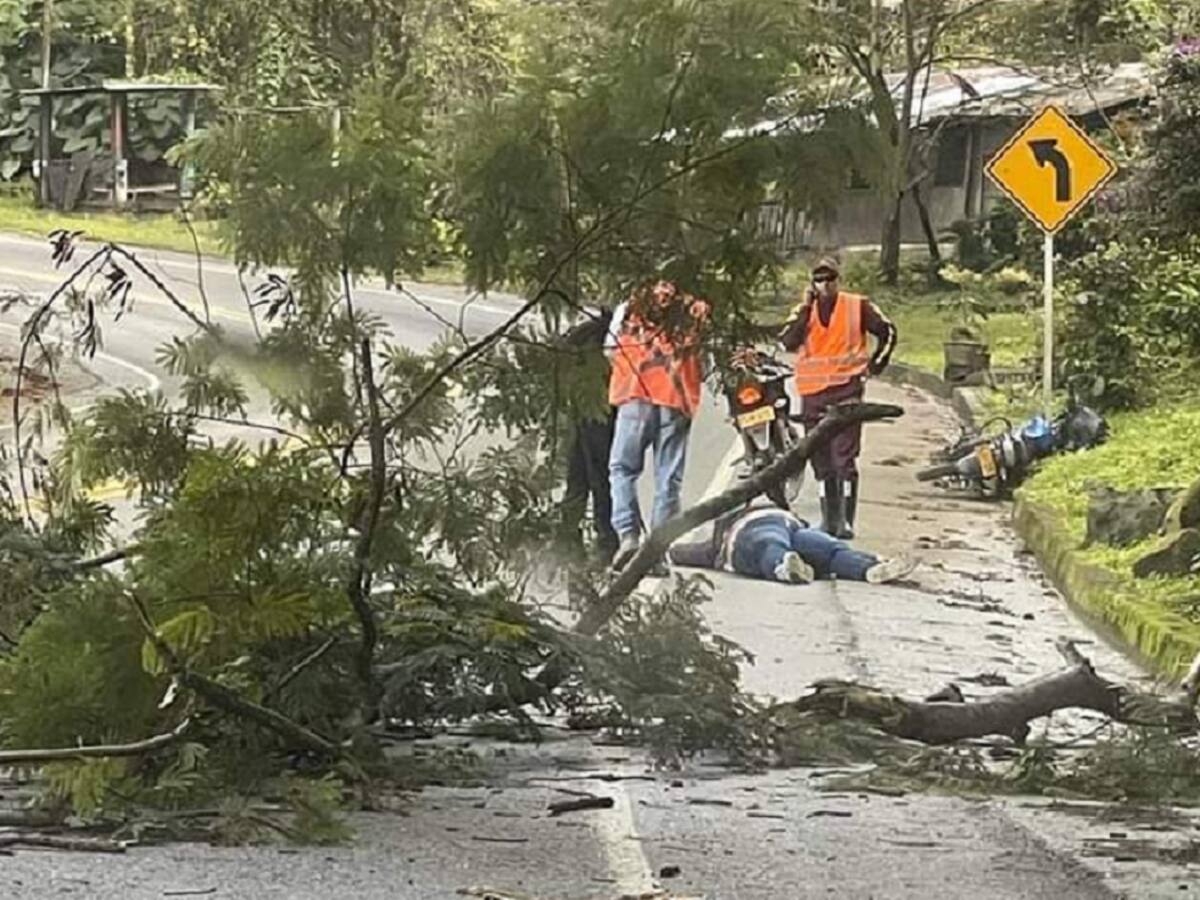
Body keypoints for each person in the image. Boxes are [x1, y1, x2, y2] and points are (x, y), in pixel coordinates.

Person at [778, 257, 897, 539]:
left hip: (847, 389)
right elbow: (787, 342)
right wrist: (807, 307)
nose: (825, 284)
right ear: (812, 284)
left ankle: (845, 521)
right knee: (819, 458)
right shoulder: (804, 310)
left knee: (844, 455)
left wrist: (875, 364)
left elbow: (888, 331)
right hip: (812, 393)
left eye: (830, 278)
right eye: (819, 280)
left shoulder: (858, 305)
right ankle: (828, 519)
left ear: (838, 279)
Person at [606, 280, 710, 571]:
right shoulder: (696, 309)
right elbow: (705, 352)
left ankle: (628, 536)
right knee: (668, 479)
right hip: (675, 399)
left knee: (622, 469)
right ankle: (656, 551)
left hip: (634, 395)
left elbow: (610, 348)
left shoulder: (630, 307)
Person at [667, 499, 915, 585]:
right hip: (782, 526)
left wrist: (664, 551)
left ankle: (784, 566)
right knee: (828, 551)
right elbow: (684, 552)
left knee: (773, 545)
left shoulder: (722, 539)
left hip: (771, 528)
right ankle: (867, 567)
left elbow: (684, 552)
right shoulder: (722, 541)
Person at [559, 307, 619, 566]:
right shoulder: (600, 335)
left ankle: (590, 538)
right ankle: (593, 538)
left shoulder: (590, 334)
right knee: (593, 476)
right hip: (594, 413)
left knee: (588, 476)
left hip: (596, 413)